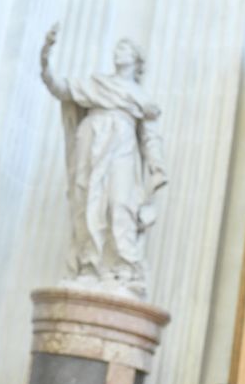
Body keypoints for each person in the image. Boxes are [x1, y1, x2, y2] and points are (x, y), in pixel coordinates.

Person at [40, 25, 167, 298]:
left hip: (122, 147)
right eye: (117, 47)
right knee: (89, 201)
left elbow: (151, 138)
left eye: (125, 48)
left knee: (121, 203)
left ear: (136, 59)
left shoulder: (142, 98)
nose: (118, 52)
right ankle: (89, 266)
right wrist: (45, 57)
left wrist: (156, 167)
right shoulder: (96, 83)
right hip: (91, 141)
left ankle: (124, 269)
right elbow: (59, 87)